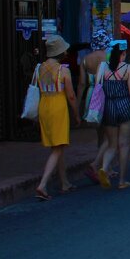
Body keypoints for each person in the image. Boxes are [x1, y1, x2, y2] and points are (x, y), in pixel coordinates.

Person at [96, 39, 130, 190]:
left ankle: (104, 169)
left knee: (111, 144)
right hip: (125, 107)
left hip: (109, 107)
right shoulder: (128, 69)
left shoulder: (102, 67)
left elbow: (98, 88)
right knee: (124, 145)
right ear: (123, 54)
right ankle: (122, 180)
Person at [35, 35, 80, 200]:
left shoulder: (39, 68)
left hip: (44, 105)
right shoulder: (63, 70)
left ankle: (64, 182)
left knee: (56, 146)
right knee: (58, 146)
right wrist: (76, 114)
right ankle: (42, 185)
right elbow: (71, 96)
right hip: (58, 106)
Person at [77, 29, 110, 183]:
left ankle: (102, 166)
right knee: (110, 133)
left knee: (100, 133)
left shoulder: (85, 59)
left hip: (91, 96)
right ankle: (100, 166)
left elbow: (82, 83)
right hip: (105, 94)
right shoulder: (108, 57)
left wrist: (77, 105)